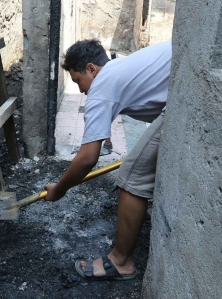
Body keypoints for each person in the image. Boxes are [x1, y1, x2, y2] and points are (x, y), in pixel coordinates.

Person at [44, 39, 171, 280]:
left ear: (91, 69)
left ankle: (121, 261)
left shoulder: (101, 87)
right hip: (183, 84)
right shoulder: (119, 69)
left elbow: (87, 158)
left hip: (182, 98)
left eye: (77, 81)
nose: (81, 90)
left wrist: (60, 189)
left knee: (132, 177)